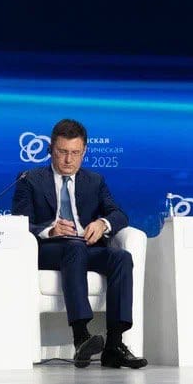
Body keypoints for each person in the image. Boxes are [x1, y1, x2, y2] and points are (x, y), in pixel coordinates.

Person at [12, 118, 146, 369]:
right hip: (50, 250)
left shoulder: (94, 180)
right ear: (50, 149)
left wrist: (102, 224)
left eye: (75, 153)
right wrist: (50, 230)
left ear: (84, 152)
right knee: (74, 248)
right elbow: (20, 223)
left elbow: (119, 214)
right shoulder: (30, 179)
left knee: (121, 257)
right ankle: (81, 336)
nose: (68, 160)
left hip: (87, 248)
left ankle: (114, 345)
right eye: (62, 152)